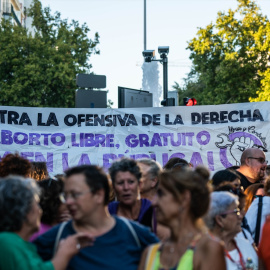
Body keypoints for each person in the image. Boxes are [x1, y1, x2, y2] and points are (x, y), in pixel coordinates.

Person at [34, 165, 158, 270]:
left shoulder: (135, 235)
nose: (69, 202)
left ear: (99, 195)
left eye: (75, 194)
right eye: (65, 196)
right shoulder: (55, 238)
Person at [138, 167, 226, 270]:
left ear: (184, 198)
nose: (153, 202)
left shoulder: (208, 249)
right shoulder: (149, 253)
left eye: (161, 194)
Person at [0, 176, 93, 270]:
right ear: (23, 210)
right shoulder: (6, 243)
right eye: (36, 204)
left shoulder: (17, 243)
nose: (40, 210)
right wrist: (64, 253)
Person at [205, 191, 258, 269]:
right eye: (236, 211)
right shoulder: (205, 252)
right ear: (219, 220)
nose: (240, 216)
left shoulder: (245, 244)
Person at [108, 158, 156, 231]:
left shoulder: (153, 211)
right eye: (120, 183)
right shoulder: (107, 213)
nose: (126, 188)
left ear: (139, 184)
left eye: (131, 182)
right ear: (114, 187)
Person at [30, 177, 71, 241]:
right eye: (64, 197)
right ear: (53, 202)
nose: (69, 202)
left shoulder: (68, 225)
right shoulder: (38, 232)